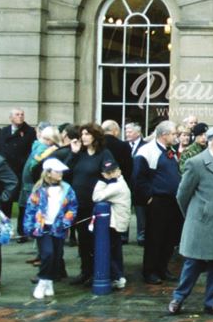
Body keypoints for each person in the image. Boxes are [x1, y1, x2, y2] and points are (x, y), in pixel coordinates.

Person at [168, 127, 213, 317]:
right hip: (201, 221)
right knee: (193, 262)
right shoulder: (196, 163)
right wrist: (194, 215)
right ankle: (178, 297)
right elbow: (182, 194)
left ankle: (210, 301)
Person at [133, 121, 182, 285]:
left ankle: (162, 268)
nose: (176, 137)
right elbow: (139, 177)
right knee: (155, 237)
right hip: (157, 201)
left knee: (169, 237)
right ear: (164, 135)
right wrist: (148, 197)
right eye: (174, 134)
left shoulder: (170, 151)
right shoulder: (147, 151)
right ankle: (150, 271)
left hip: (172, 200)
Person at [62, 123, 107, 286]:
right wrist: (73, 153)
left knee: (95, 239)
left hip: (95, 204)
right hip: (78, 203)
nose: (84, 137)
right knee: (83, 239)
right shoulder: (79, 154)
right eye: (82, 134)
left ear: (95, 136)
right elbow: (64, 172)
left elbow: (110, 175)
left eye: (87, 134)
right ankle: (85, 271)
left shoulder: (103, 154)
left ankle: (98, 272)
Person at [25, 158, 77, 299]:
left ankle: (49, 282)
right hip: (42, 227)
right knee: (47, 253)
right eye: (57, 171)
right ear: (48, 173)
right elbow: (31, 209)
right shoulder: (38, 190)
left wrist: (66, 220)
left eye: (61, 171)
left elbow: (72, 206)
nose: (60, 174)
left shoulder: (66, 189)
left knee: (56, 254)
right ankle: (42, 281)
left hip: (58, 227)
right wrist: (29, 226)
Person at [92, 156, 132, 290]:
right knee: (115, 251)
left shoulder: (116, 186)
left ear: (119, 171)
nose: (110, 174)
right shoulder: (118, 182)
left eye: (113, 171)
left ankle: (118, 277)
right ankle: (117, 276)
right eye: (107, 172)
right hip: (116, 221)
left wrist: (102, 180)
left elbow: (96, 196)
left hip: (115, 224)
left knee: (107, 251)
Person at [0, 109, 35, 198]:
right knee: (6, 194)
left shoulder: (29, 131)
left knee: (19, 195)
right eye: (17, 114)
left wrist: (23, 161)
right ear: (11, 118)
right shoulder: (4, 130)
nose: (20, 116)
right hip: (6, 166)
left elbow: (31, 149)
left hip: (20, 168)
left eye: (22, 114)